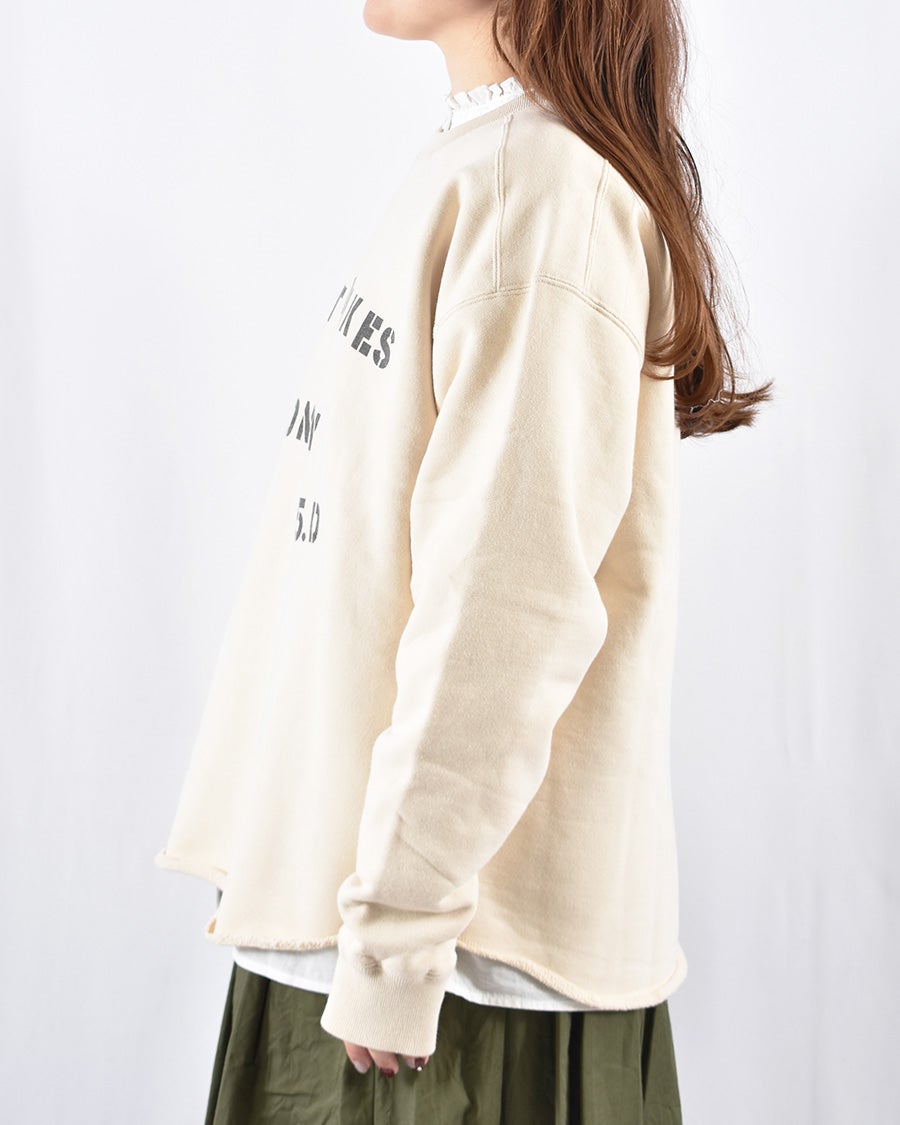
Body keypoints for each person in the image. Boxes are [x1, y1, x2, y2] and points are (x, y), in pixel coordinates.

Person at [155, 1, 773, 1121]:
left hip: (449, 986)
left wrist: (396, 936)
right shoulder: (493, 164)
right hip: (381, 937)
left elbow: (508, 605)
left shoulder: (544, 192)